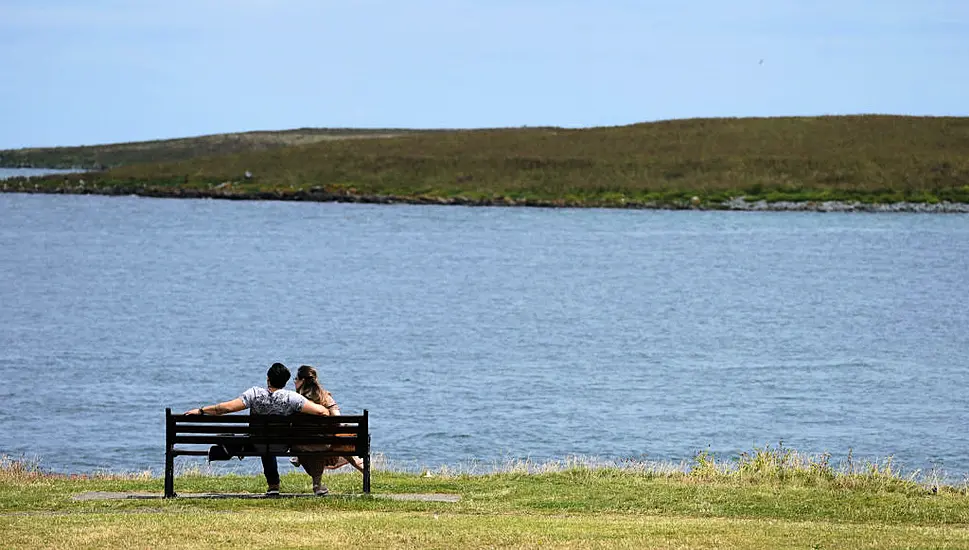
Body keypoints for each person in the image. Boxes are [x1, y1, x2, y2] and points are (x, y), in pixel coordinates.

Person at [184, 362, 330, 496]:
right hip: (282, 445)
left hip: (258, 443)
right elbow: (321, 412)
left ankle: (273, 486)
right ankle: (278, 486)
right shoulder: (292, 398)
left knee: (262, 441)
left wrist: (201, 410)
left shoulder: (254, 394)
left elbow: (226, 408)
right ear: (285, 382)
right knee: (270, 441)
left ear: (268, 379)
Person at [292, 365, 365, 493]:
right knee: (335, 443)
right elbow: (337, 420)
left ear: (302, 381)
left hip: (300, 446)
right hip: (323, 445)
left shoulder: (294, 400)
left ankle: (316, 484)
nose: (295, 382)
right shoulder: (325, 397)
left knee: (310, 448)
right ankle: (363, 468)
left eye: (296, 379)